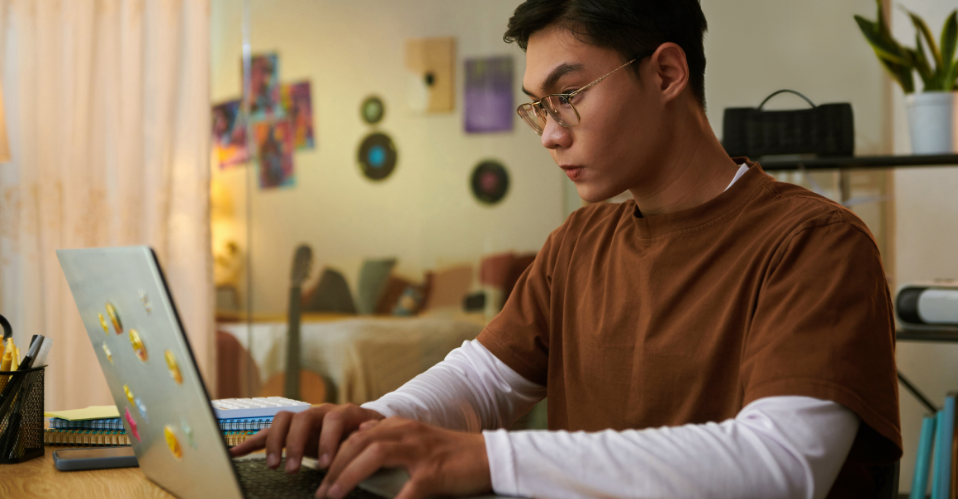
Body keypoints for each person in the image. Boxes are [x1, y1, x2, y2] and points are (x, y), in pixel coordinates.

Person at [231, 1, 902, 498]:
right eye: (538, 107)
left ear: (666, 73)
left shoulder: (816, 245)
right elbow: (482, 379)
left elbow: (780, 462)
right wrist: (377, 417)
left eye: (568, 96)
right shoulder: (579, 243)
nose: (550, 134)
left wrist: (492, 460)